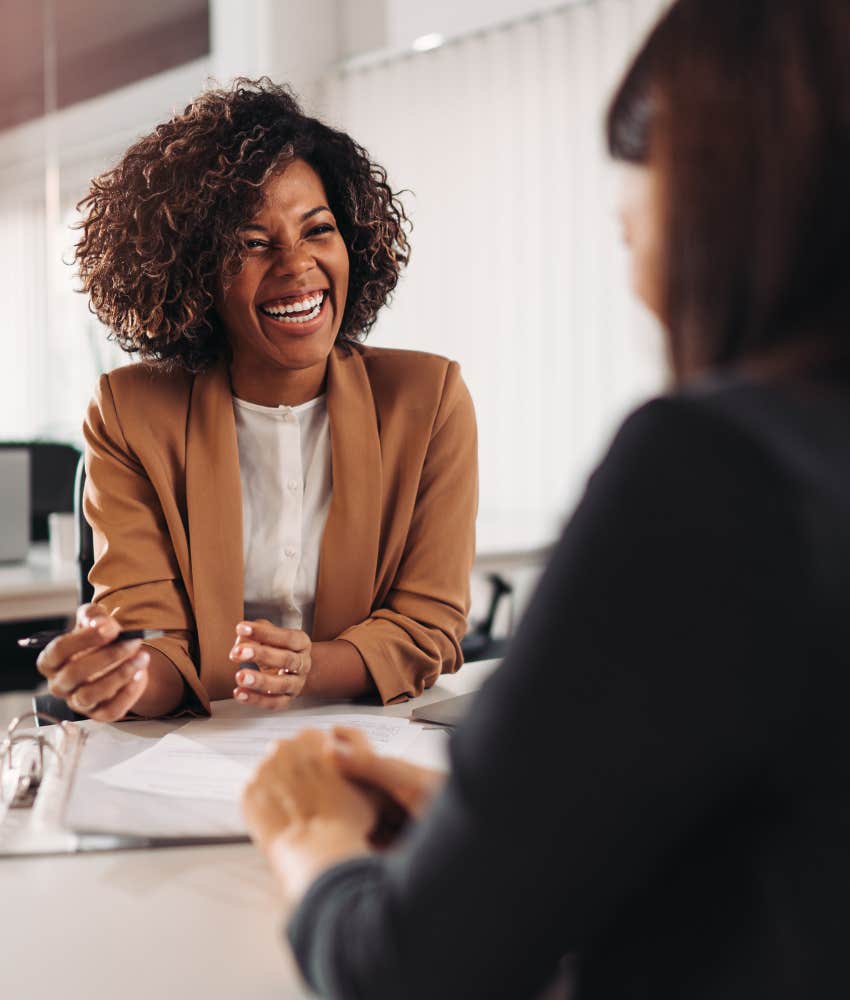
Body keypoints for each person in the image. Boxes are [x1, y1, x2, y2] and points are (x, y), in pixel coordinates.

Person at [240, 1, 850, 997]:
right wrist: (505, 816)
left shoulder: (712, 472)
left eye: (631, 212)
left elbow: (408, 973)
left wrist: (313, 842)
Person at [34, 80, 477, 721]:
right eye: (251, 243)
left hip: (365, 738)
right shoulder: (130, 412)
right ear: (194, 270)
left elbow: (427, 626)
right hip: (192, 751)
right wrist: (120, 675)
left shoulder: (428, 399)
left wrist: (307, 668)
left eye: (317, 229)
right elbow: (156, 645)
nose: (296, 266)